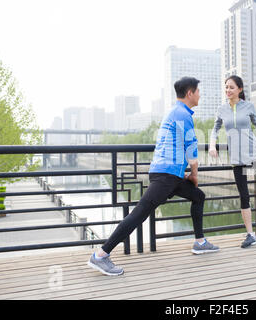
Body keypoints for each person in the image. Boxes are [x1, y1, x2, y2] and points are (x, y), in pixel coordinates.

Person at [88, 77, 219, 276]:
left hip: (171, 174)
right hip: (166, 175)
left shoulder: (176, 112)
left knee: (198, 197)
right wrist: (194, 174)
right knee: (139, 213)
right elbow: (191, 148)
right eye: (198, 91)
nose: (200, 95)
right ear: (190, 93)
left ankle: (200, 242)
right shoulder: (182, 114)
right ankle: (100, 255)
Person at [209, 75, 256, 249]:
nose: (228, 90)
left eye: (231, 87)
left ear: (240, 89)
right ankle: (250, 235)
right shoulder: (221, 109)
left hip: (254, 154)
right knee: (244, 197)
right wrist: (212, 145)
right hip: (236, 158)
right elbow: (215, 130)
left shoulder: (248, 106)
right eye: (226, 87)